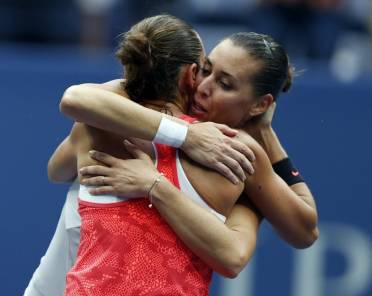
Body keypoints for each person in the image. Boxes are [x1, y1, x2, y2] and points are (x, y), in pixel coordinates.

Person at [25, 16, 318, 296]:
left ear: (259, 105)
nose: (204, 88)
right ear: (191, 71)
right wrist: (186, 135)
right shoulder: (111, 113)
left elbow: (298, 234)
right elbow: (74, 102)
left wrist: (265, 135)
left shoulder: (237, 158)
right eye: (206, 69)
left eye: (225, 84)